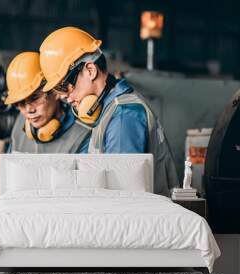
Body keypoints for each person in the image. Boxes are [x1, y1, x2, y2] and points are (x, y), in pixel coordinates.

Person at [39, 26, 178, 196]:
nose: (65, 97)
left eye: (65, 86)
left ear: (90, 70)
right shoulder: (108, 111)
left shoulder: (123, 118)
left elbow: (122, 196)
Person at [5, 51, 91, 153]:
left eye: (35, 98)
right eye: (20, 103)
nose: (29, 110)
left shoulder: (82, 134)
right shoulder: (19, 124)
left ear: (55, 92)